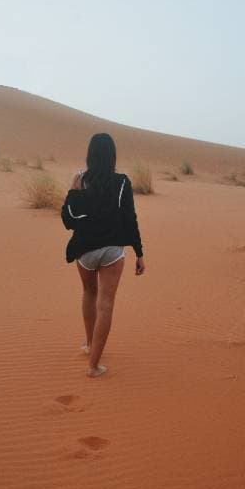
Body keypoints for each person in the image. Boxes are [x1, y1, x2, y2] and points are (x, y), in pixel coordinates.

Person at [61, 133, 145, 378]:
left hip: (85, 251)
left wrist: (73, 192)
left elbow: (68, 220)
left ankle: (89, 345)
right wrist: (139, 253)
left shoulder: (80, 179)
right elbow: (130, 219)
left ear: (90, 154)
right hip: (112, 251)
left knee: (89, 293)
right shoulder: (122, 182)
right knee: (106, 304)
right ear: (112, 156)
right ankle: (94, 366)